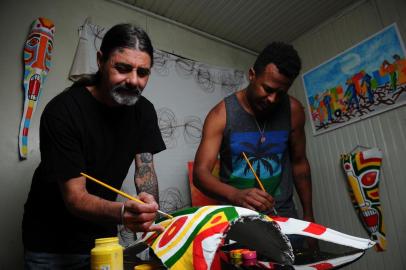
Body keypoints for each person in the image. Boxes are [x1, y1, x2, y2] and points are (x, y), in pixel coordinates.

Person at [22, 23, 166, 269]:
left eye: (143, 73)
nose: (133, 81)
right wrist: (123, 213)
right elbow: (75, 198)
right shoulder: (63, 111)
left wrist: (148, 206)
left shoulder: (144, 111)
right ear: (101, 60)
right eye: (122, 68)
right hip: (51, 244)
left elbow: (145, 172)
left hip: (104, 239)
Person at [193, 42, 315, 225]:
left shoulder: (294, 110)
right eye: (268, 89)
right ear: (251, 75)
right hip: (237, 219)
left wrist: (308, 216)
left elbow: (299, 164)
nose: (273, 99)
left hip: (284, 216)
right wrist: (235, 195)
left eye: (281, 93)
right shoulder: (221, 114)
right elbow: (200, 173)